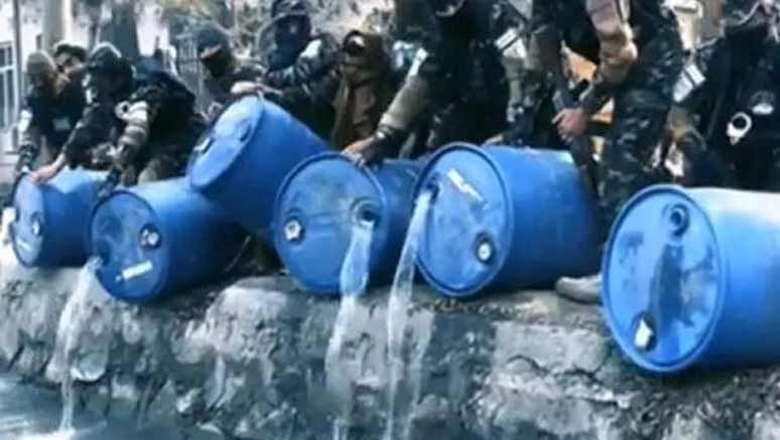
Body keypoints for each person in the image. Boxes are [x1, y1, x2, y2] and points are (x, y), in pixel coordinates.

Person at [518, 0, 684, 303]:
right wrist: (534, 108)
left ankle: (619, 273)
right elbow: (542, 41)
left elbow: (622, 54)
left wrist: (584, 111)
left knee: (621, 160)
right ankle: (658, 257)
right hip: (615, 60)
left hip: (652, 57)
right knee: (634, 167)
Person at [342, 0, 524, 164]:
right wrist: (383, 135)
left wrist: (515, 127)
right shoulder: (435, 24)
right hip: (459, 114)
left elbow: (519, 69)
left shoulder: (493, 14)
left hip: (503, 116)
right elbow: (419, 80)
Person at [31, 43, 205, 188]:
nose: (98, 85)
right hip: (147, 147)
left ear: (115, 77)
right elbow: (86, 128)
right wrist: (55, 167)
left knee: (146, 181)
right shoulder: (107, 96)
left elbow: (137, 129)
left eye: (101, 79)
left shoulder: (146, 85)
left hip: (177, 143)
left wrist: (117, 167)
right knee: (125, 183)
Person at [670, 0, 780, 190]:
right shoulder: (708, 57)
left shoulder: (775, 60)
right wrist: (697, 152)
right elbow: (677, 113)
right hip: (715, 180)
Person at [260, 0, 340, 139]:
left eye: (296, 24)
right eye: (285, 25)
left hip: (321, 134)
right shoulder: (278, 59)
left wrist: (277, 94)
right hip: (286, 133)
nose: (292, 31)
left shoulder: (322, 47)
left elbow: (315, 97)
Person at [16, 52, 87, 177]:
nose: (39, 83)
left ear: (53, 74)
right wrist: (26, 156)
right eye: (33, 79)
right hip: (56, 156)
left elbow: (90, 122)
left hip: (84, 153)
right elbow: (31, 129)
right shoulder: (34, 99)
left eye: (42, 78)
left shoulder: (75, 90)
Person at [329, 29, 397, 149]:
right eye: (348, 49)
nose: (350, 55)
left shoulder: (381, 86)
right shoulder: (344, 80)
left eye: (357, 50)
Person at [195, 24, 265, 115]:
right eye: (206, 55)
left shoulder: (248, 70)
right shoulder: (209, 83)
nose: (212, 60)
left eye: (215, 52)